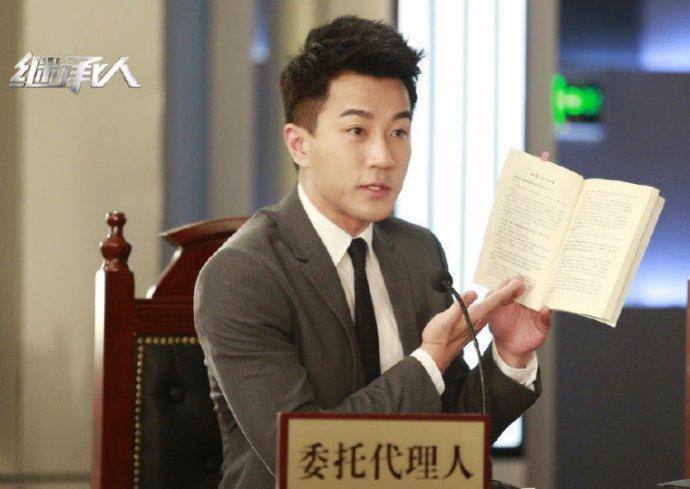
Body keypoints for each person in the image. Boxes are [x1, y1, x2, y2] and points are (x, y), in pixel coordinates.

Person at [193, 15, 551, 489]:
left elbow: (453, 438)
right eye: (357, 131)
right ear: (299, 144)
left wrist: (508, 353)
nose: (384, 157)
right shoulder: (243, 273)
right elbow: (307, 459)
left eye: (398, 132)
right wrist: (429, 360)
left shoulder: (418, 252)